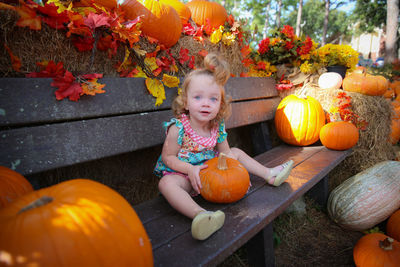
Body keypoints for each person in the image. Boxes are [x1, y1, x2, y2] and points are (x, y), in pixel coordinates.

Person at [154, 53, 294, 241]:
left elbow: (226, 153)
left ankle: (269, 175)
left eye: (213, 99)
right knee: (166, 184)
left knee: (235, 152)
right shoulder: (178, 128)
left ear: (220, 105)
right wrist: (190, 169)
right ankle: (201, 215)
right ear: (185, 102)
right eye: (198, 97)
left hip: (212, 176)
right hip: (186, 175)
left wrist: (238, 175)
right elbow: (168, 158)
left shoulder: (216, 127)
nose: (206, 103)